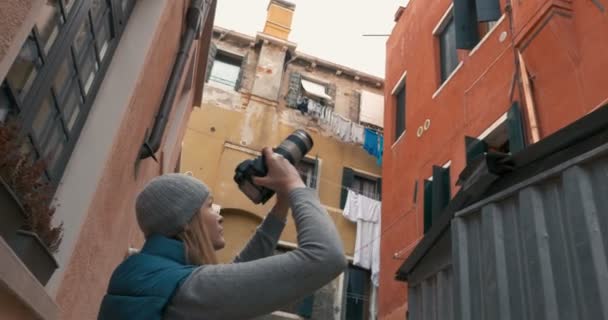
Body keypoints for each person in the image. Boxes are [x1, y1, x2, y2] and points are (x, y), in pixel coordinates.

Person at [98, 147, 347, 320]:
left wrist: (281, 205)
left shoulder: (146, 273)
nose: (218, 213)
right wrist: (295, 184)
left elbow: (236, 272)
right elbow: (327, 257)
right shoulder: (183, 288)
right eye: (208, 205)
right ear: (184, 221)